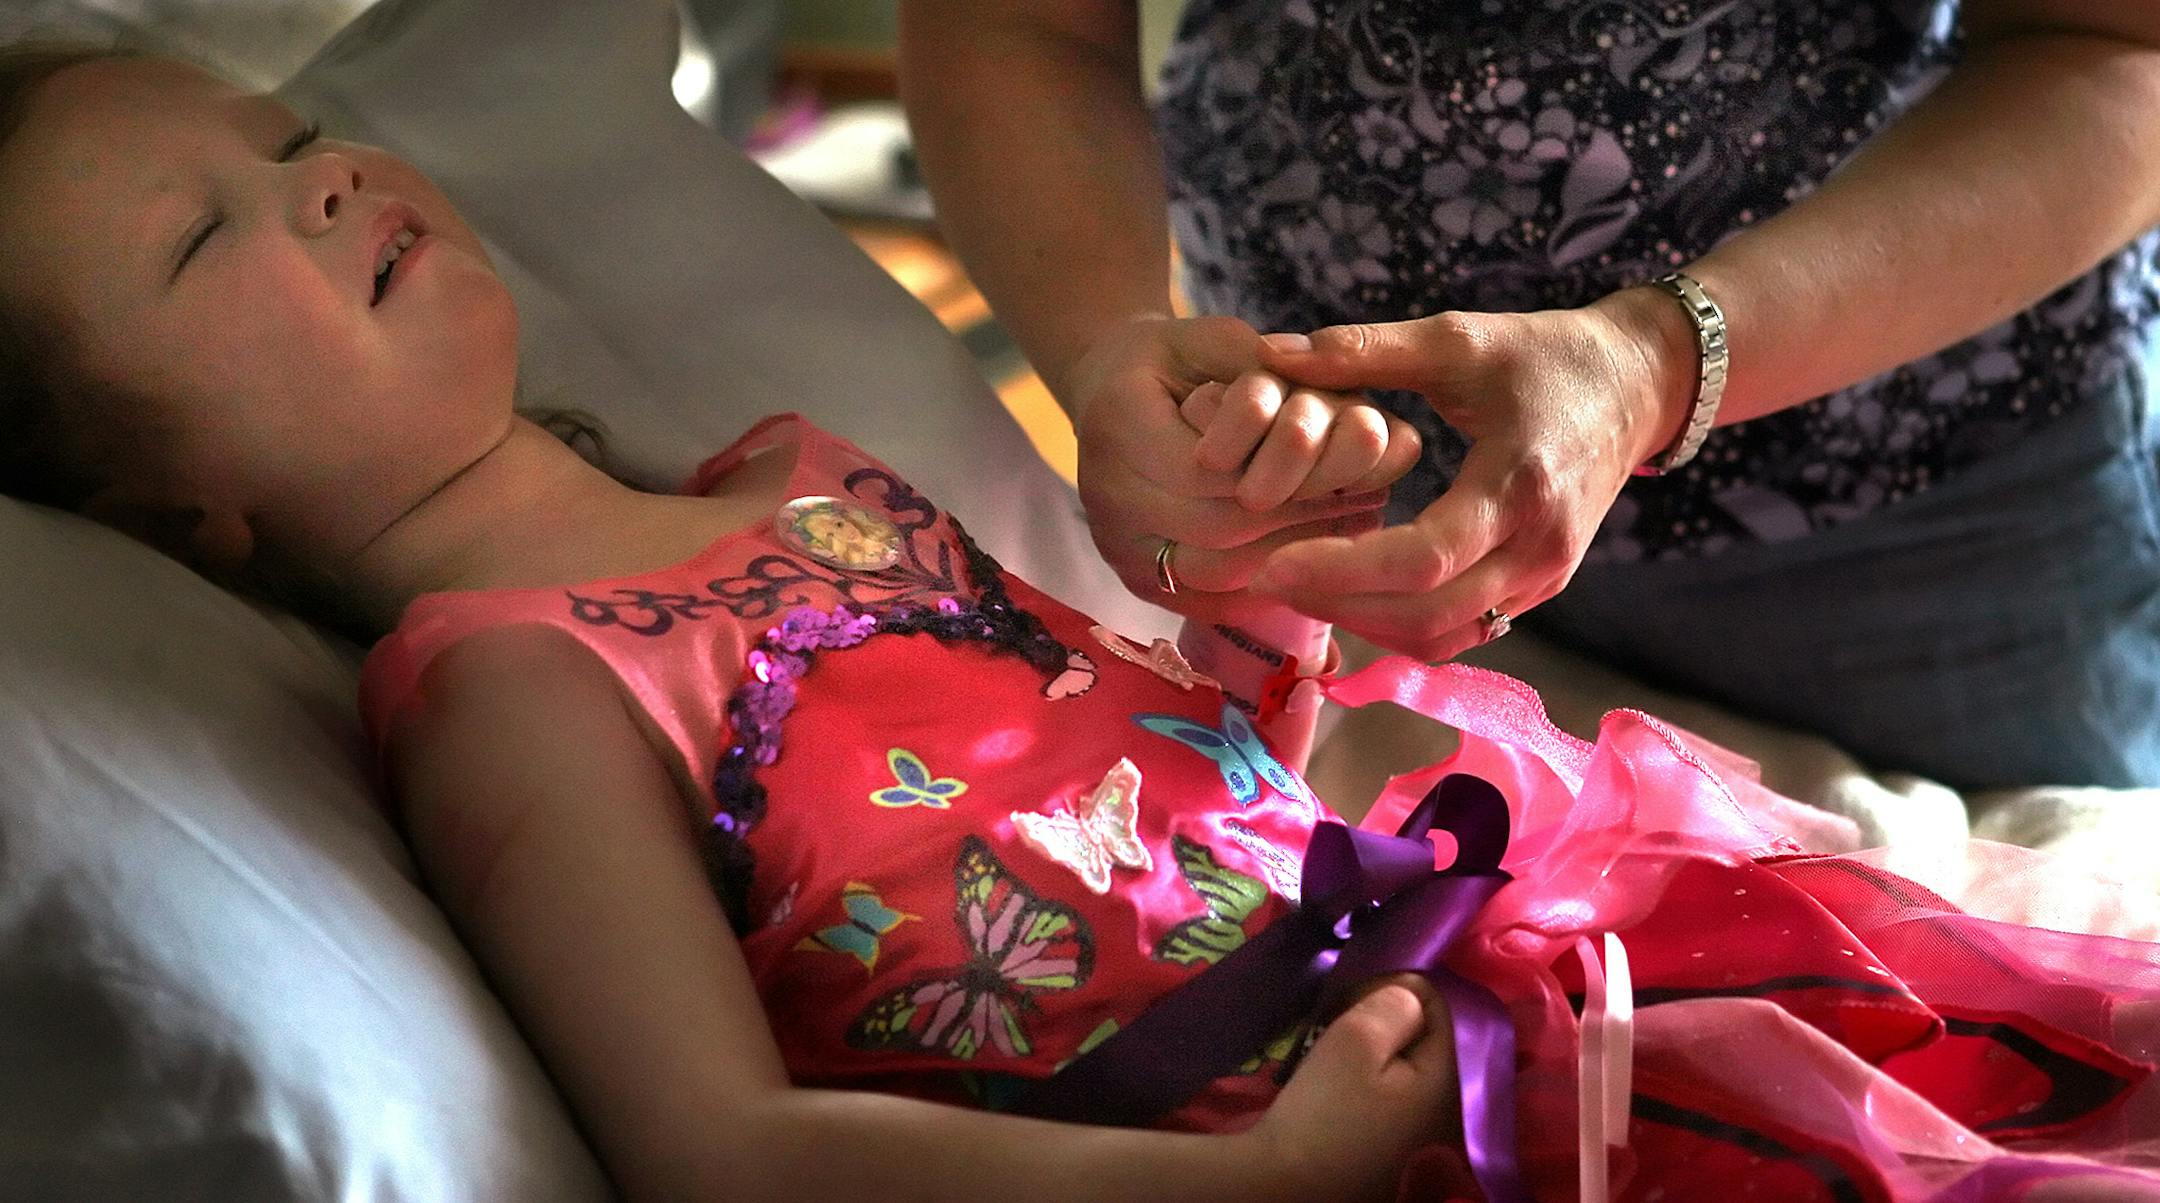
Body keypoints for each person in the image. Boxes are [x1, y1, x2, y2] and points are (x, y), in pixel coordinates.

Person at [4, 42, 2158, 1203]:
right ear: (173, 515)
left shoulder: (789, 473)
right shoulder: (514, 686)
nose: (321, 182)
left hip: (1474, 965)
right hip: (1314, 1132)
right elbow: (719, 1150)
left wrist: (1260, 604)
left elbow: (1169, 767)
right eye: (206, 241)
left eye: (292, 135)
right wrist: (1272, 1180)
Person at [897, 1, 2160, 792]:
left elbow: (2116, 51)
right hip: (1342, 523)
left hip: (1933, 537)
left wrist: (1654, 364)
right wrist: (1108, 342)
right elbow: (1016, 25)